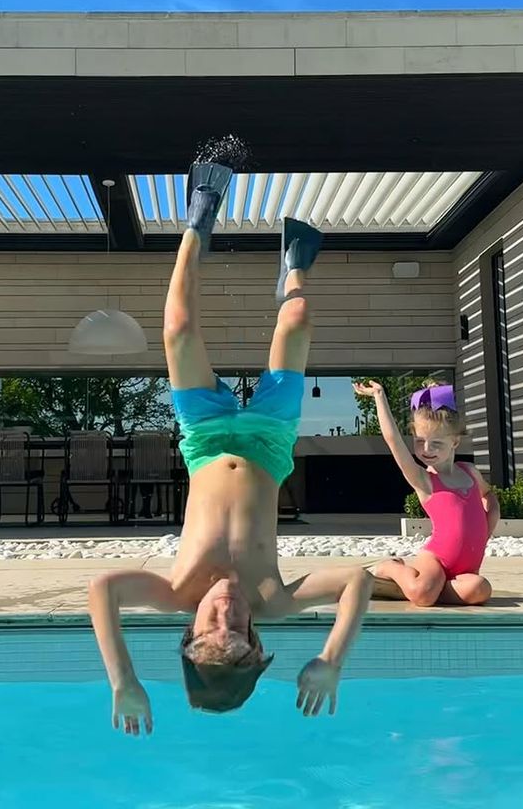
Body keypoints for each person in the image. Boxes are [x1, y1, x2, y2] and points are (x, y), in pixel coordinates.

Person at [88, 161, 374, 735]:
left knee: (177, 333)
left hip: (207, 437)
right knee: (296, 321)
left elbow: (102, 590)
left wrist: (123, 679)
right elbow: (358, 581)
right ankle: (292, 266)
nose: (228, 613)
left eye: (213, 628)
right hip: (269, 443)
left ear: (190, 632)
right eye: (240, 632)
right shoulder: (273, 598)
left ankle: (198, 216)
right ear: (257, 635)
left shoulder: (174, 591)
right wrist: (331, 660)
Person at [353, 380, 500, 607]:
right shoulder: (425, 481)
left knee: (481, 589)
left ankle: (432, 588)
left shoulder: (469, 472)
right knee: (422, 595)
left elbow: (488, 495)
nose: (426, 450)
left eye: (436, 444)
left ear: (455, 442)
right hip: (436, 560)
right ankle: (391, 567)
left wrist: (489, 524)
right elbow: (393, 441)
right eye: (420, 442)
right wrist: (380, 397)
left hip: (466, 570)